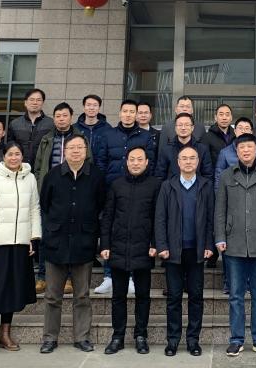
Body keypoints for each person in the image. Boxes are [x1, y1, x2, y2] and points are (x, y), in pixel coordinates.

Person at [215, 133, 256, 357]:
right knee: (235, 295)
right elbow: (220, 210)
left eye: (249, 147)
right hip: (233, 242)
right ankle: (236, 340)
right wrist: (220, 237)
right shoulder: (227, 175)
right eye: (241, 147)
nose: (246, 150)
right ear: (236, 151)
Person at [38, 134, 106, 354]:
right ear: (65, 151)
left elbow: (100, 205)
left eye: (80, 148)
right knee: (52, 296)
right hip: (56, 242)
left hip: (83, 242)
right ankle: (50, 338)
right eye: (71, 148)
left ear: (86, 151)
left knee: (82, 295)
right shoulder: (53, 175)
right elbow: (45, 205)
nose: (76, 151)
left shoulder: (96, 176)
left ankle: (82, 337)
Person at [0, 143, 40, 354]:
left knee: (12, 289)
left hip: (20, 244)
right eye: (10, 154)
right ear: (4, 157)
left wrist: (34, 237)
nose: (14, 158)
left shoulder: (30, 178)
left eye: (17, 154)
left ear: (22, 156)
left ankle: (5, 334)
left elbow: (34, 208)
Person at [154, 145, 215, 357]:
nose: (188, 162)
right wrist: (162, 246)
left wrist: (209, 245)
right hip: (173, 251)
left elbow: (210, 219)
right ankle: (172, 341)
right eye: (184, 158)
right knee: (174, 298)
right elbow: (160, 218)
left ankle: (193, 340)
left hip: (197, 250)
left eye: (192, 158)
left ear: (198, 162)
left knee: (196, 297)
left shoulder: (206, 185)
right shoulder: (167, 186)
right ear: (178, 162)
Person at [100, 146, 162, 355]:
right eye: (132, 159)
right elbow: (108, 217)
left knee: (143, 296)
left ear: (146, 162)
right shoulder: (117, 185)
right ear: (126, 162)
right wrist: (105, 245)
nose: (135, 163)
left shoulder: (155, 185)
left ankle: (141, 335)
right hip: (118, 248)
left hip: (144, 248)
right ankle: (117, 336)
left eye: (139, 159)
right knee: (118, 296)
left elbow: (158, 217)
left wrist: (155, 243)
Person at [94, 98, 156, 294]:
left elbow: (151, 163)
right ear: (120, 113)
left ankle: (130, 277)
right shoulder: (108, 135)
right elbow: (101, 162)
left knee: (134, 230)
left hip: (139, 190)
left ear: (137, 114)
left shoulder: (146, 137)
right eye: (125, 111)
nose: (128, 115)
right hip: (113, 189)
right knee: (112, 229)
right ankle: (108, 276)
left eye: (132, 111)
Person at [32, 102, 81, 291]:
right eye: (58, 116)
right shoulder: (46, 139)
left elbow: (88, 162)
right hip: (50, 194)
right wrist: (40, 186)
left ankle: (68, 278)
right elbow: (38, 167)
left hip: (73, 193)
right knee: (47, 235)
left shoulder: (80, 139)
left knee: (69, 236)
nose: (61, 119)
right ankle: (43, 276)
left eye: (64, 115)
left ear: (71, 117)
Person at [156, 111, 213, 180]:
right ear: (175, 128)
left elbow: (208, 175)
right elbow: (160, 176)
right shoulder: (166, 150)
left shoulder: (202, 149)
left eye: (187, 125)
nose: (183, 128)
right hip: (171, 186)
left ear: (192, 128)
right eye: (180, 125)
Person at [214, 117, 256, 185]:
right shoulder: (224, 153)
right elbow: (218, 177)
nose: (243, 131)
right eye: (240, 128)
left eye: (246, 128)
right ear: (235, 131)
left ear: (251, 132)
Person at [6, 88, 53, 166]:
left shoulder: (51, 124)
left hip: (42, 168)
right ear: (25, 102)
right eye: (32, 99)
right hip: (20, 167)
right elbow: (9, 147)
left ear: (43, 103)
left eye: (38, 100)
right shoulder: (15, 124)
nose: (35, 102)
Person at [74, 93, 110, 160]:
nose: (91, 108)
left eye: (95, 105)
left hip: (100, 165)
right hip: (80, 164)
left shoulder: (107, 128)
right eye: (88, 105)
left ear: (99, 108)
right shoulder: (75, 128)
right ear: (84, 107)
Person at [201, 103, 236, 168]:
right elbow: (204, 162)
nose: (224, 118)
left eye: (227, 115)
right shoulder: (207, 137)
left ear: (231, 118)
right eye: (221, 114)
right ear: (215, 117)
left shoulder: (236, 136)